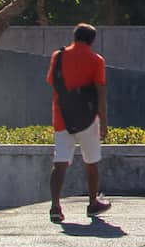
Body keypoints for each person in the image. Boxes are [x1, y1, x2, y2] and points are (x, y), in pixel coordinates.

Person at [45, 23, 111, 223]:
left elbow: (52, 82)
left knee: (60, 163)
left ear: (75, 37)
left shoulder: (58, 56)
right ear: (91, 40)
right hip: (88, 119)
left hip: (62, 117)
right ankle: (93, 203)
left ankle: (55, 206)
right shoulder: (96, 60)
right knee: (91, 162)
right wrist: (104, 122)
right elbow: (100, 93)